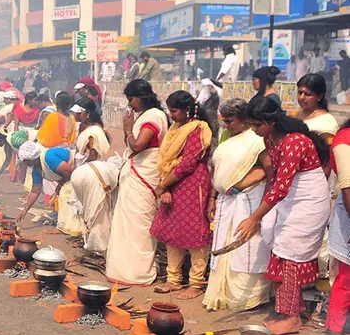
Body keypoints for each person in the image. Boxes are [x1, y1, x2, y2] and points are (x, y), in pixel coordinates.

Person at [234, 96, 331, 335]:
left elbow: (281, 186)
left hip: (308, 202)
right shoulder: (270, 138)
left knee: (291, 255)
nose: (254, 130)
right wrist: (262, 214)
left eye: (257, 125)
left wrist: (255, 217)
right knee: (279, 249)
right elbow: (274, 177)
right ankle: (292, 310)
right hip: (288, 199)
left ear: (272, 121)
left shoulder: (294, 142)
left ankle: (291, 318)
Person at [203, 99, 272, 312]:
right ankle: (221, 293)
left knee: (245, 247)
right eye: (224, 121)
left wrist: (242, 184)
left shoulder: (256, 140)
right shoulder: (227, 138)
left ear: (244, 120)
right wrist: (212, 198)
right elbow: (218, 172)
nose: (226, 125)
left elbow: (270, 169)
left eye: (230, 121)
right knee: (224, 244)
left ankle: (247, 298)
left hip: (248, 200)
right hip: (225, 200)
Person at [150, 91, 214, 300]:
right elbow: (167, 160)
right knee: (172, 230)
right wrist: (166, 187)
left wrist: (163, 185)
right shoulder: (175, 129)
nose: (171, 115)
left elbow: (188, 163)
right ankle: (174, 279)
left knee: (196, 233)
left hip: (192, 184)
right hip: (173, 182)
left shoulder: (198, 129)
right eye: (169, 110)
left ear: (187, 110)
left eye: (174, 111)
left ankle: (196, 282)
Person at [106, 80, 170, 285]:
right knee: (129, 222)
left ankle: (139, 272)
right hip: (139, 172)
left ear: (141, 97)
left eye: (131, 99)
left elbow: (139, 145)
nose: (130, 104)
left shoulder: (152, 116)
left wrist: (127, 131)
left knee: (139, 224)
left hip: (144, 173)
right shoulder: (152, 115)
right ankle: (123, 269)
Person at [57, 98, 110, 236]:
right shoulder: (84, 127)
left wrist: (80, 169)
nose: (76, 116)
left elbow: (93, 153)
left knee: (82, 199)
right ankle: (76, 229)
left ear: (87, 113)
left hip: (91, 168)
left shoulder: (95, 130)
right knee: (72, 196)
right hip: (81, 164)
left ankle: (85, 231)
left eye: (79, 114)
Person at [326, 118, 350, 335]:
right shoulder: (344, 140)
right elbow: (348, 187)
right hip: (349, 212)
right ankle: (334, 332)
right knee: (347, 277)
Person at [15, 141, 75, 223]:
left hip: (77, 171)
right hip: (69, 177)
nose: (26, 164)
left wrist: (58, 190)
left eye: (26, 161)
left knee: (65, 195)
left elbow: (70, 172)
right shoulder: (37, 170)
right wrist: (24, 211)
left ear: (31, 158)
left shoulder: (48, 157)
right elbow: (35, 191)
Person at [294, 73, 338, 145]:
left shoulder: (326, 122)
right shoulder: (295, 114)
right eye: (300, 92)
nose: (302, 97)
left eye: (308, 94)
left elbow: (328, 151)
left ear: (319, 96)